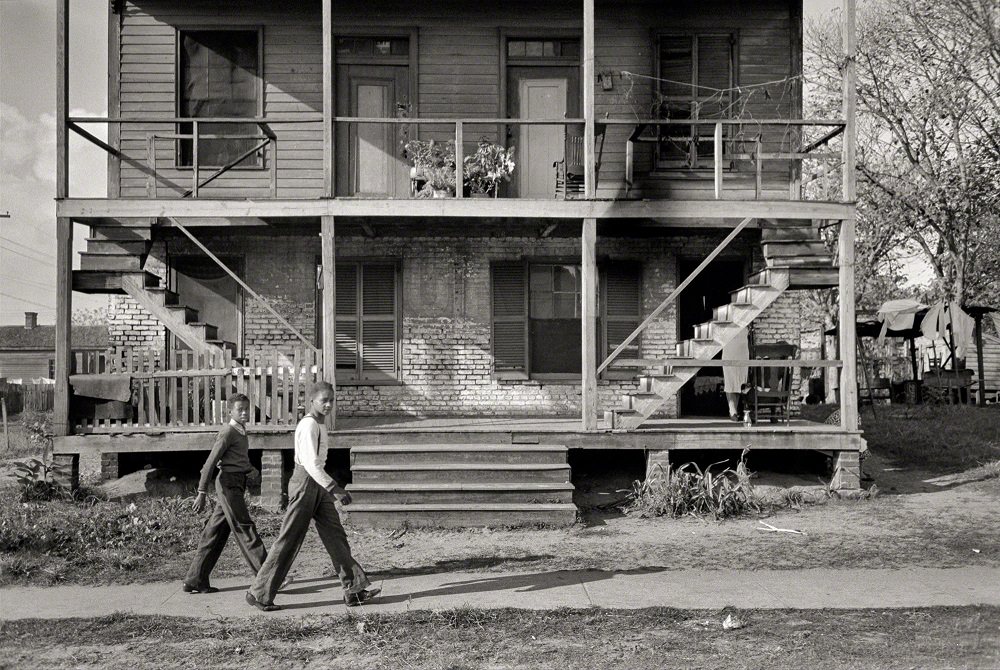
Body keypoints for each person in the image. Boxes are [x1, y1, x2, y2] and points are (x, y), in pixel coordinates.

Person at [246, 381, 380, 611]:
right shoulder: (308, 425)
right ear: (311, 402)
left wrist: (327, 487)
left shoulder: (320, 424)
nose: (328, 405)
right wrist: (335, 489)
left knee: (336, 535)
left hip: (317, 485)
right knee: (289, 540)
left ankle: (354, 590)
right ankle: (259, 593)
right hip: (306, 483)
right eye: (323, 401)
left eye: (331, 400)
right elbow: (310, 463)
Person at [183, 393, 267, 594]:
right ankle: (269, 576)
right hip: (228, 485)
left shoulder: (240, 430)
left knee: (214, 533)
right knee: (245, 527)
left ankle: (195, 579)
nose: (245, 412)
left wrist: (250, 469)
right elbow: (210, 463)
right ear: (230, 411)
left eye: (247, 408)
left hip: (237, 481)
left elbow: (236, 458)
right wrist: (202, 492)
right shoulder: (228, 432)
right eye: (240, 409)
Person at [723, 327, 750, 422]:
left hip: (743, 352)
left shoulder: (745, 321)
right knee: (730, 380)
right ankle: (732, 410)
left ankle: (735, 410)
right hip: (729, 350)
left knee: (740, 382)